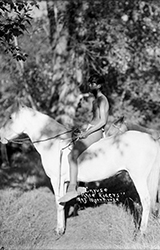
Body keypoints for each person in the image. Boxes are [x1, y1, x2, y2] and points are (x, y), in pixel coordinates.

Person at [59, 74, 110, 203]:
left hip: (96, 131)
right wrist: (84, 130)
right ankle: (82, 186)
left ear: (99, 85)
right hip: (91, 129)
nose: (91, 85)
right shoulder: (94, 101)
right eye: (90, 83)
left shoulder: (103, 100)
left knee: (72, 155)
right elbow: (94, 120)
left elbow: (103, 121)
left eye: (93, 83)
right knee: (76, 148)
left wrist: (87, 133)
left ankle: (72, 189)